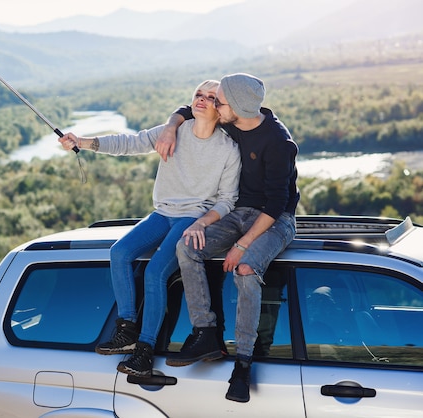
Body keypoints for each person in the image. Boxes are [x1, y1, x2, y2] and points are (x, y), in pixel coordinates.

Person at [58, 80, 241, 377]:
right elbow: (129, 142)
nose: (202, 100)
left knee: (156, 272)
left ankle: (144, 351)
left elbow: (227, 201)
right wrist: (83, 142)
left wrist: (202, 222)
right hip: (162, 213)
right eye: (198, 94)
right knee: (119, 253)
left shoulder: (228, 149)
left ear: (220, 109)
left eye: (211, 97)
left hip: (191, 219)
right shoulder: (174, 131)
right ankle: (127, 328)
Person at [158, 73, 299, 403]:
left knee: (246, 270)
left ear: (236, 106)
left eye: (218, 101)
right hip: (239, 212)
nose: (212, 105)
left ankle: (243, 364)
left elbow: (277, 204)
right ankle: (205, 332)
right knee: (188, 247)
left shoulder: (278, 142)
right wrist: (169, 126)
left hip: (275, 220)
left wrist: (242, 245)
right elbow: (188, 108)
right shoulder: (232, 120)